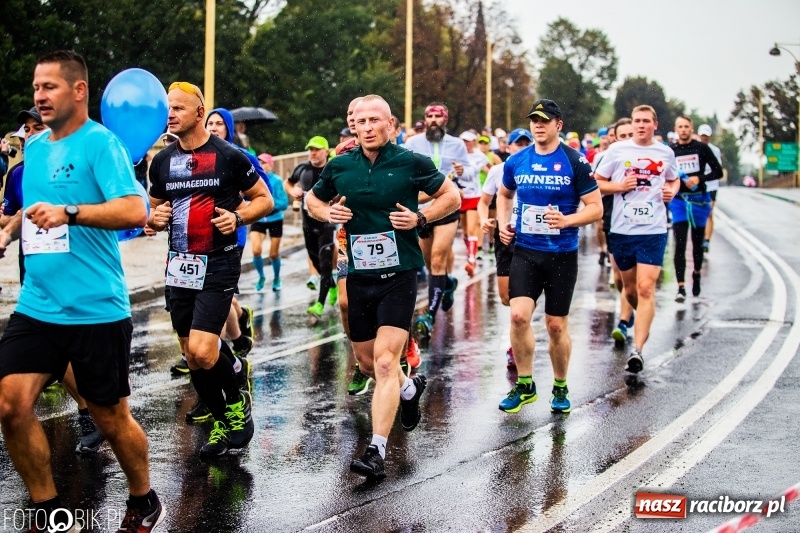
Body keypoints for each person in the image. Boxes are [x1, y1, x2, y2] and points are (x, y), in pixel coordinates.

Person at [0, 50, 165, 531]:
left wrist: (72, 213)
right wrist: (8, 230)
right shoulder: (34, 150)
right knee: (10, 404)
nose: (39, 96)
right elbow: (34, 210)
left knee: (110, 417)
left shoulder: (102, 144)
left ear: (79, 91)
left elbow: (135, 211)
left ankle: (143, 499)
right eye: (35, 87)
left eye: (49, 87)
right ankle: (48, 511)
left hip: (95, 308)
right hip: (38, 304)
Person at [306, 94, 460, 480]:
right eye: (361, 121)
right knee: (367, 363)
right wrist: (328, 212)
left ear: (391, 125)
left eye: (376, 120)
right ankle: (408, 391)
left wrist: (421, 217)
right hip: (359, 276)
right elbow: (311, 199)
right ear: (352, 126)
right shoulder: (340, 165)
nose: (369, 127)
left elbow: (451, 196)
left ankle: (376, 450)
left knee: (388, 361)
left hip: (399, 275)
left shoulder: (410, 162)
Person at [148, 81, 272, 456]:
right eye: (168, 108)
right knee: (191, 355)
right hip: (178, 266)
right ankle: (222, 418)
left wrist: (237, 217)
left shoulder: (229, 156)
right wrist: (155, 218)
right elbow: (151, 214)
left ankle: (236, 404)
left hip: (217, 262)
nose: (170, 114)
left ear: (200, 112)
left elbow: (263, 201)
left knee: (203, 351)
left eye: (178, 108)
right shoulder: (162, 161)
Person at [495, 99, 602, 414]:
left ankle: (560, 385)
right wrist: (503, 224)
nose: (538, 125)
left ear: (559, 125)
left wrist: (567, 221)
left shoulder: (575, 162)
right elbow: (503, 194)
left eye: (545, 120)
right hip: (526, 251)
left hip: (561, 256)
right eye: (534, 120)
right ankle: (525, 385)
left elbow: (595, 207)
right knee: (518, 316)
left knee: (556, 326)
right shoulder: (516, 161)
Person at [595, 105, 679, 374]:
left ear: (655, 124)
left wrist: (671, 192)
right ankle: (643, 314)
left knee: (645, 288)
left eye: (645, 121)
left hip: (653, 230)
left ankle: (638, 349)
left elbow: (673, 180)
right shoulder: (616, 151)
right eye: (636, 121)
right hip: (622, 229)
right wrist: (619, 187)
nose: (640, 125)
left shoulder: (665, 153)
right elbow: (597, 182)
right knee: (628, 289)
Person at [403, 103, 473, 338]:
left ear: (445, 119)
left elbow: (471, 171)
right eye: (429, 116)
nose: (433, 120)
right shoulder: (413, 144)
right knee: (427, 261)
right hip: (421, 209)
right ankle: (448, 283)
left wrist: (464, 171)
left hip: (446, 207)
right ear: (425, 119)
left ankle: (430, 316)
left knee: (438, 258)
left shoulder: (457, 144)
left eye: (438, 116)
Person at [478, 127, 532, 369]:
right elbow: (484, 201)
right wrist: (483, 219)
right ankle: (520, 325)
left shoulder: (536, 169)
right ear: (508, 148)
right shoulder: (499, 171)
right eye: (516, 144)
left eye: (525, 144)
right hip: (505, 236)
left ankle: (517, 339)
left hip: (531, 237)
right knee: (505, 297)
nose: (521, 148)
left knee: (525, 298)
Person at [669, 116, 723, 301]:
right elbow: (664, 173)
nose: (683, 130)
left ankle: (697, 273)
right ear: (676, 129)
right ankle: (680, 287)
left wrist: (699, 178)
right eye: (680, 127)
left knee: (697, 243)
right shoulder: (670, 151)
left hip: (698, 200)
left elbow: (718, 171)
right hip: (679, 201)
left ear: (691, 128)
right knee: (680, 243)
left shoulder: (701, 148)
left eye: (686, 126)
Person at [285, 135, 337, 318]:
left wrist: (335, 200)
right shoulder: (302, 168)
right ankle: (332, 285)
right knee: (314, 260)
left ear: (326, 151)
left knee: (324, 263)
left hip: (327, 222)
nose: (313, 153)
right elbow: (288, 182)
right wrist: (293, 191)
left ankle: (319, 305)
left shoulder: (333, 168)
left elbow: (343, 189)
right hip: (307, 221)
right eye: (310, 149)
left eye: (317, 149)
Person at [604, 118, 637, 345]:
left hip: (637, 224)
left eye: (629, 135)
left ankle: (624, 322)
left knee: (630, 280)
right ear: (614, 138)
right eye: (621, 136)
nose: (626, 139)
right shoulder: (606, 158)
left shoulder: (644, 158)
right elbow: (593, 186)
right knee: (618, 277)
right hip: (611, 219)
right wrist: (619, 187)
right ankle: (629, 308)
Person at [252, 153, 288, 291]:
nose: (261, 166)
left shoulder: (277, 181)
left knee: (273, 254)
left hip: (275, 219)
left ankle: (277, 278)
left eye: (264, 163)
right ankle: (261, 276)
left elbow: (284, 203)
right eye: (259, 163)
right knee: (256, 250)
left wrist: (269, 204)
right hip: (259, 218)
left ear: (271, 165)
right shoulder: (253, 180)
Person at [698, 124, 722, 252]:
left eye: (706, 136)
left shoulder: (715, 150)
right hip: (698, 185)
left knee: (709, 213)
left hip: (711, 185)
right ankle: (699, 237)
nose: (704, 138)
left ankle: (706, 240)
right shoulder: (695, 148)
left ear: (710, 137)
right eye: (702, 136)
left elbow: (717, 170)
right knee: (697, 213)